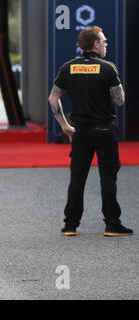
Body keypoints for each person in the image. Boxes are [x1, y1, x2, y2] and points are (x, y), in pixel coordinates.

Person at [48, 26, 133, 237]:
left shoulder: (68, 68)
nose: (106, 44)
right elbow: (120, 100)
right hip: (104, 130)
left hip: (80, 132)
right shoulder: (108, 68)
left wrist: (65, 126)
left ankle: (70, 225)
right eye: (104, 41)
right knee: (108, 177)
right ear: (95, 44)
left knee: (77, 178)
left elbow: (52, 98)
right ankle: (112, 224)